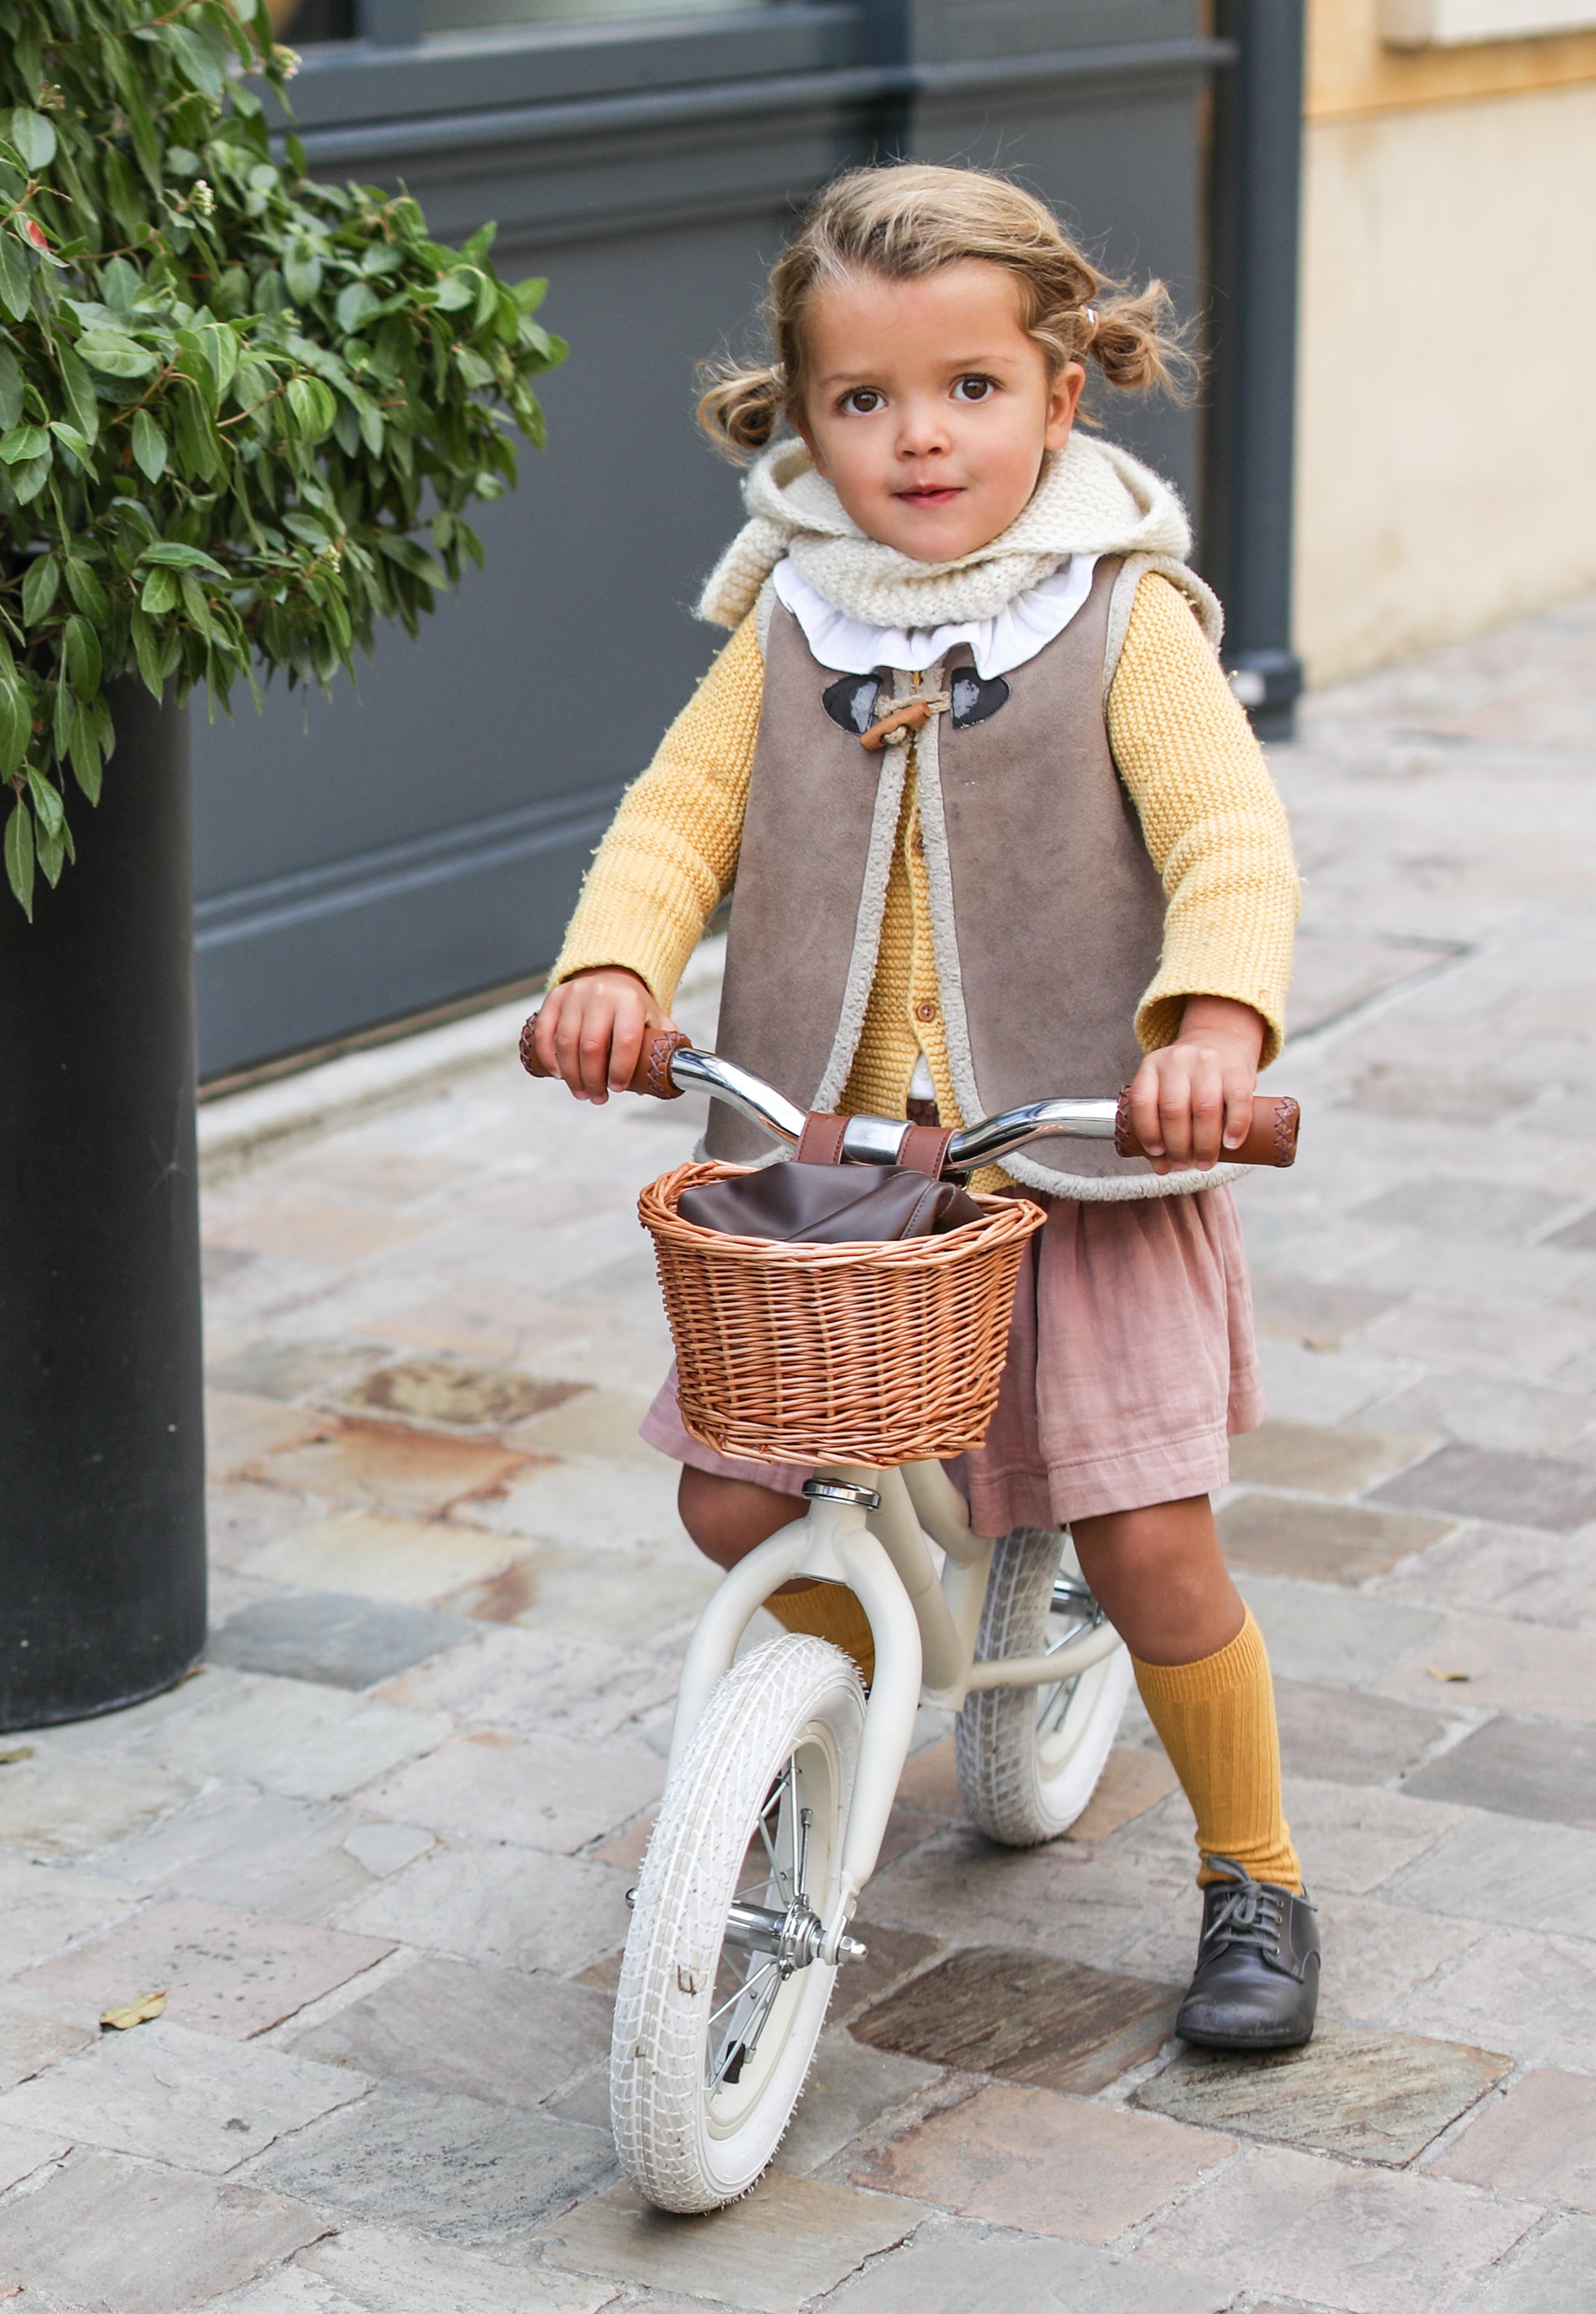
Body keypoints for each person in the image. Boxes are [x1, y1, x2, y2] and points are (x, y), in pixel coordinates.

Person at [527, 164, 1316, 2051]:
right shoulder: (797, 621)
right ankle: (795, 1780)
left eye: (970, 387)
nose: (919, 437)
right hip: (833, 1179)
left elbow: (1228, 838)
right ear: (800, 420)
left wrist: (1210, 1027)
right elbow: (676, 816)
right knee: (740, 1497)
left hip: (1075, 1163)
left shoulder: (1119, 615)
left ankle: (1259, 1875)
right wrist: (616, 968)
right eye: (861, 400)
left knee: (1150, 1546)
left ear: (1065, 390)